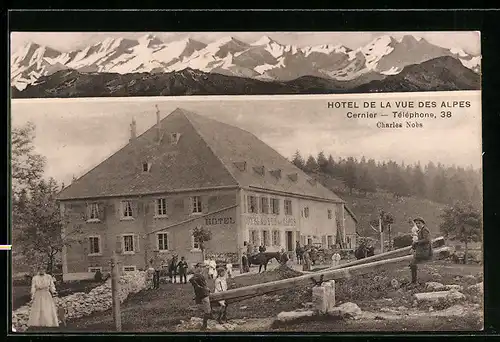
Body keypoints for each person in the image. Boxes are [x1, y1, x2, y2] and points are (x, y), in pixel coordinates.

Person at [28, 266, 59, 330]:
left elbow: (52, 285)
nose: (42, 270)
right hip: (38, 294)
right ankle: (38, 323)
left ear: (45, 270)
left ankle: (49, 323)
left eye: (43, 269)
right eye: (40, 269)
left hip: (46, 294)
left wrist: (54, 291)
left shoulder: (48, 277)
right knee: (38, 309)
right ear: (38, 270)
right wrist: (32, 294)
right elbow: (33, 287)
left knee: (47, 308)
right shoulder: (35, 278)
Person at [409, 217, 433, 284]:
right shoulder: (420, 230)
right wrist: (413, 247)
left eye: (419, 223)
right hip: (422, 251)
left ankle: (414, 281)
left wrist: (417, 242)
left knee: (412, 264)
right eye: (416, 223)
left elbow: (427, 240)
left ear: (423, 223)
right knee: (412, 264)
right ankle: (414, 281)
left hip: (425, 251)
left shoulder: (424, 230)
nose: (417, 225)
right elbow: (417, 241)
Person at [189, 263, 212, 330]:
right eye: (201, 267)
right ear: (198, 267)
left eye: (203, 267)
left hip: (203, 293)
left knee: (208, 310)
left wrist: (200, 286)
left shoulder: (199, 275)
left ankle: (206, 324)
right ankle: (204, 326)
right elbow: (192, 280)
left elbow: (192, 280)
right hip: (203, 294)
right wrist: (203, 287)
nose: (203, 268)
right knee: (207, 311)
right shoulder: (198, 275)